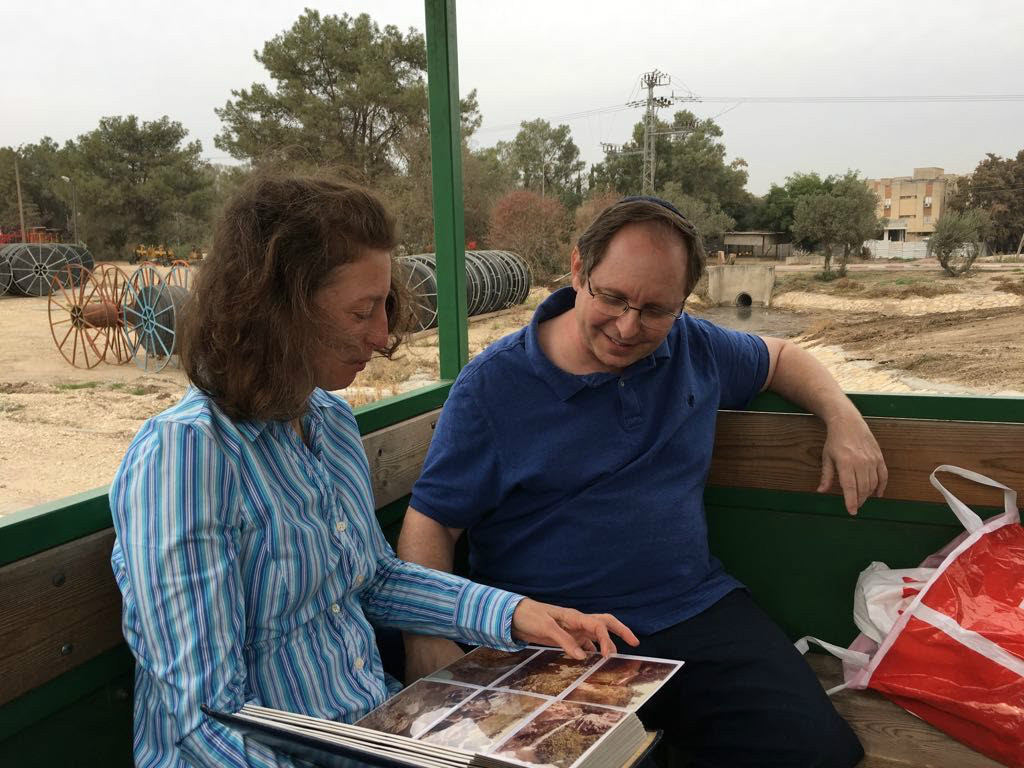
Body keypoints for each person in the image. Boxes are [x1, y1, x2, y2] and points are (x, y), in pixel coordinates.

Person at [108, 174, 637, 768]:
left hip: (373, 729)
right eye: (362, 312)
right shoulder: (188, 456)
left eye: (385, 306)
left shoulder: (329, 421)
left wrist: (518, 615)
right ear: (275, 311)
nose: (384, 336)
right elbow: (205, 718)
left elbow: (373, 579)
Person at [398, 196, 888, 767]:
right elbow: (433, 521)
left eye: (656, 309)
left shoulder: (692, 344)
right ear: (578, 269)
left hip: (693, 610)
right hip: (555, 633)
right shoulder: (492, 387)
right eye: (612, 298)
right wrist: (425, 631)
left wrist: (843, 418)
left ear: (682, 303)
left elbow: (778, 357)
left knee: (821, 753)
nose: (628, 327)